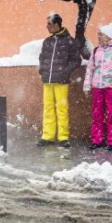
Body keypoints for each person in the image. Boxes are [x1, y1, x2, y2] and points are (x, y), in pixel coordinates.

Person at [83, 23, 112, 151]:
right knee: (97, 114)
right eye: (98, 34)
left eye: (101, 34)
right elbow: (90, 69)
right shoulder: (96, 51)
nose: (98, 37)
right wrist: (87, 85)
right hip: (97, 87)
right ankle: (97, 140)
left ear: (108, 36)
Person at [37, 14, 81, 148]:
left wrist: (65, 72)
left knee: (62, 109)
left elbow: (76, 60)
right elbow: (42, 58)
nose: (47, 27)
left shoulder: (70, 41)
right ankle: (47, 136)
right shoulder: (47, 41)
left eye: (49, 24)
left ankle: (63, 137)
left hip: (62, 81)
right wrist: (42, 71)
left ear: (57, 25)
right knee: (48, 108)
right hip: (47, 81)